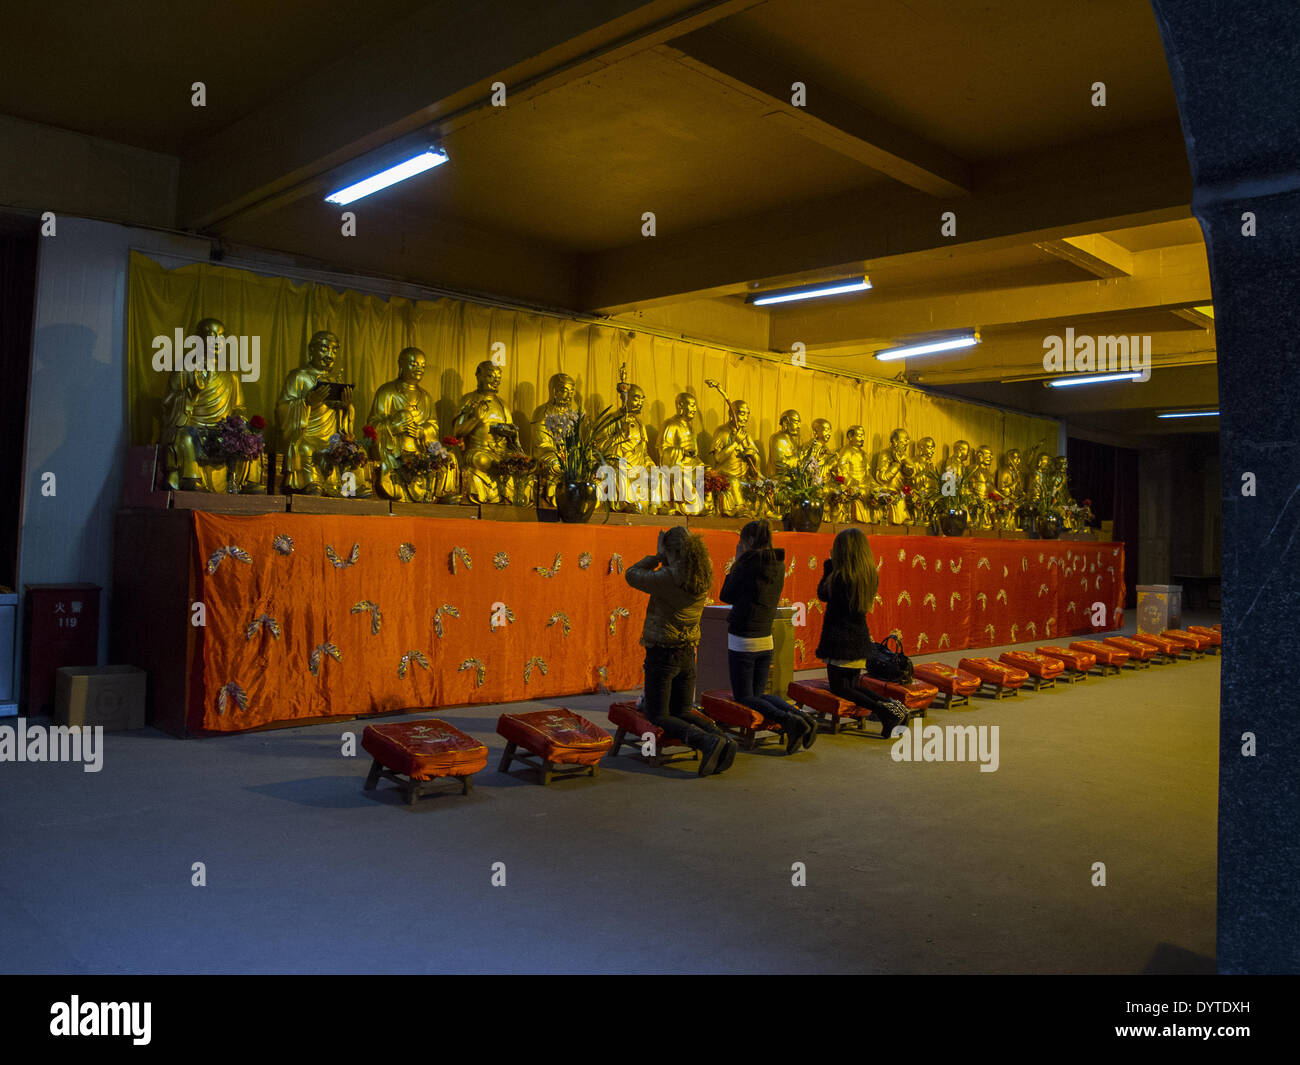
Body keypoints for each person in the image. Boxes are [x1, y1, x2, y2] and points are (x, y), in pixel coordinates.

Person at [626, 527, 737, 775]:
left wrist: (656, 556)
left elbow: (632, 575)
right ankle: (722, 739)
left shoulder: (668, 577)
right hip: (688, 651)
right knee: (683, 710)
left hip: (663, 652)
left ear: (670, 551)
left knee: (658, 714)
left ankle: (707, 742)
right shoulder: (703, 572)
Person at [719, 521, 818, 754]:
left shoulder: (746, 565)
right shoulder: (778, 564)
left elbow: (726, 595)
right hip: (765, 636)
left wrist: (735, 563)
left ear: (748, 542)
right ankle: (804, 719)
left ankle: (792, 722)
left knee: (745, 696)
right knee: (760, 694)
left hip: (744, 637)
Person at [815, 527, 910, 737]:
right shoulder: (866, 575)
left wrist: (828, 567)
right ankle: (895, 707)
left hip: (840, 641)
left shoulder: (841, 577)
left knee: (841, 688)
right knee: (852, 685)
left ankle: (887, 712)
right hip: (857, 640)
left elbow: (823, 593)